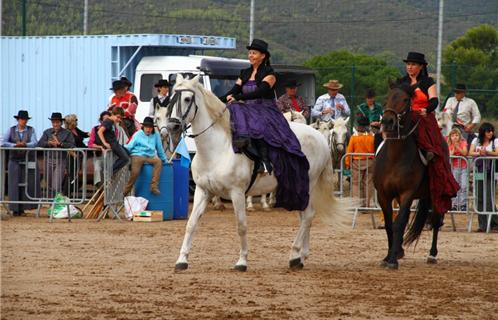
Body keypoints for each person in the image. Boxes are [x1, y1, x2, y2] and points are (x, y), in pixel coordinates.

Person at [220, 39, 310, 211]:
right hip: (246, 106)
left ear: (263, 56)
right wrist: (218, 101)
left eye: (254, 53)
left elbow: (260, 91)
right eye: (249, 52)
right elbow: (234, 91)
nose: (250, 55)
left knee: (257, 125)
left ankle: (264, 162)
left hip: (264, 108)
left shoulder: (270, 73)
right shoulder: (244, 72)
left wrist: (239, 98)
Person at [396, 51, 459, 215]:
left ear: (421, 66)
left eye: (413, 64)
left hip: (423, 118)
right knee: (384, 137)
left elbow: (434, 101)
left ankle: (433, 175)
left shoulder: (427, 82)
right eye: (408, 64)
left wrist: (426, 109)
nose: (410, 67)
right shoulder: (401, 82)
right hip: (405, 118)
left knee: (435, 148)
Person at [1, 110, 40, 216]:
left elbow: (35, 142)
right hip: (14, 159)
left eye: (25, 119)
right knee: (13, 183)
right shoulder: (11, 130)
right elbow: (3, 142)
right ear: (18, 120)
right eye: (22, 119)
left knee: (26, 183)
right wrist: (14, 145)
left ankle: (23, 208)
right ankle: (14, 209)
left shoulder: (31, 130)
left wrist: (25, 145)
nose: (24, 121)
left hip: (27, 159)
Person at [123, 117, 167, 196]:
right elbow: (130, 145)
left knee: (158, 162)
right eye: (146, 127)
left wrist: (165, 160)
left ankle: (153, 187)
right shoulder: (138, 134)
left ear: (152, 128)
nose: (148, 129)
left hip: (150, 156)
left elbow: (160, 149)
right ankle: (126, 190)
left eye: (150, 127)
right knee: (135, 172)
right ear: (143, 127)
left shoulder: (156, 135)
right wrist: (122, 149)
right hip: (137, 155)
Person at [468, 122, 498, 232]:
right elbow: (470, 152)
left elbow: (497, 153)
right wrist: (479, 153)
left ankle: (494, 223)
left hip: (491, 171)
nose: (490, 133)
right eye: (488, 131)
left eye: (491, 130)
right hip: (479, 171)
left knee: (489, 197)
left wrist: (487, 152)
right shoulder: (476, 141)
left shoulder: (495, 141)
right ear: (483, 132)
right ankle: (483, 224)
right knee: (479, 197)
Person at [37, 112, 76, 196]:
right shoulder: (47, 132)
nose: (55, 124)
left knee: (56, 183)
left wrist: (60, 144)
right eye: (53, 122)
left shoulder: (67, 133)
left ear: (61, 123)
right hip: (48, 159)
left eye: (57, 122)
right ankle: (52, 202)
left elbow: (72, 145)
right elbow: (40, 143)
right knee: (49, 182)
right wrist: (49, 143)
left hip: (61, 160)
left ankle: (55, 203)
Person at [345, 116, 375, 208]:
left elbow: (349, 151)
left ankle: (357, 204)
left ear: (360, 126)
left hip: (357, 162)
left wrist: (347, 163)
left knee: (355, 183)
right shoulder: (372, 137)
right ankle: (367, 204)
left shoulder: (354, 137)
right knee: (368, 183)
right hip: (370, 161)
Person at [97, 108, 130, 174]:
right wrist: (105, 143)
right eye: (118, 117)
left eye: (120, 118)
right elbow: (100, 131)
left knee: (128, 153)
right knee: (125, 158)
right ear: (112, 114)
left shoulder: (112, 122)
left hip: (115, 142)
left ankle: (112, 171)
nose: (119, 120)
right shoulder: (108, 121)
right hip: (112, 143)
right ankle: (109, 171)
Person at [63, 114, 89, 195]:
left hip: (79, 153)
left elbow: (84, 134)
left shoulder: (75, 129)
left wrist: (92, 133)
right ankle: (66, 194)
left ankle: (69, 193)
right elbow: (66, 145)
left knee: (75, 174)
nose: (77, 121)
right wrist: (73, 154)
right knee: (71, 175)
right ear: (71, 122)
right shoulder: (67, 132)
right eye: (75, 120)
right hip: (72, 155)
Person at [447, 128, 468, 211]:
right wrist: (453, 148)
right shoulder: (448, 144)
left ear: (459, 136)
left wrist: (457, 147)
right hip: (454, 167)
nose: (455, 137)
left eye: (456, 135)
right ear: (450, 137)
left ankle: (463, 204)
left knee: (464, 186)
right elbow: (450, 155)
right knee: (455, 186)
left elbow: (465, 153)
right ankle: (455, 204)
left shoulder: (463, 143)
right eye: (452, 135)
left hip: (464, 167)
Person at [88, 111, 111, 186]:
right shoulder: (95, 129)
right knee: (97, 169)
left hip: (110, 156)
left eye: (108, 119)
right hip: (98, 156)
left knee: (107, 171)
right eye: (105, 119)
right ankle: (99, 187)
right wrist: (100, 147)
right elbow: (90, 144)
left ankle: (107, 189)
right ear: (101, 120)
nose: (106, 121)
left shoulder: (113, 130)